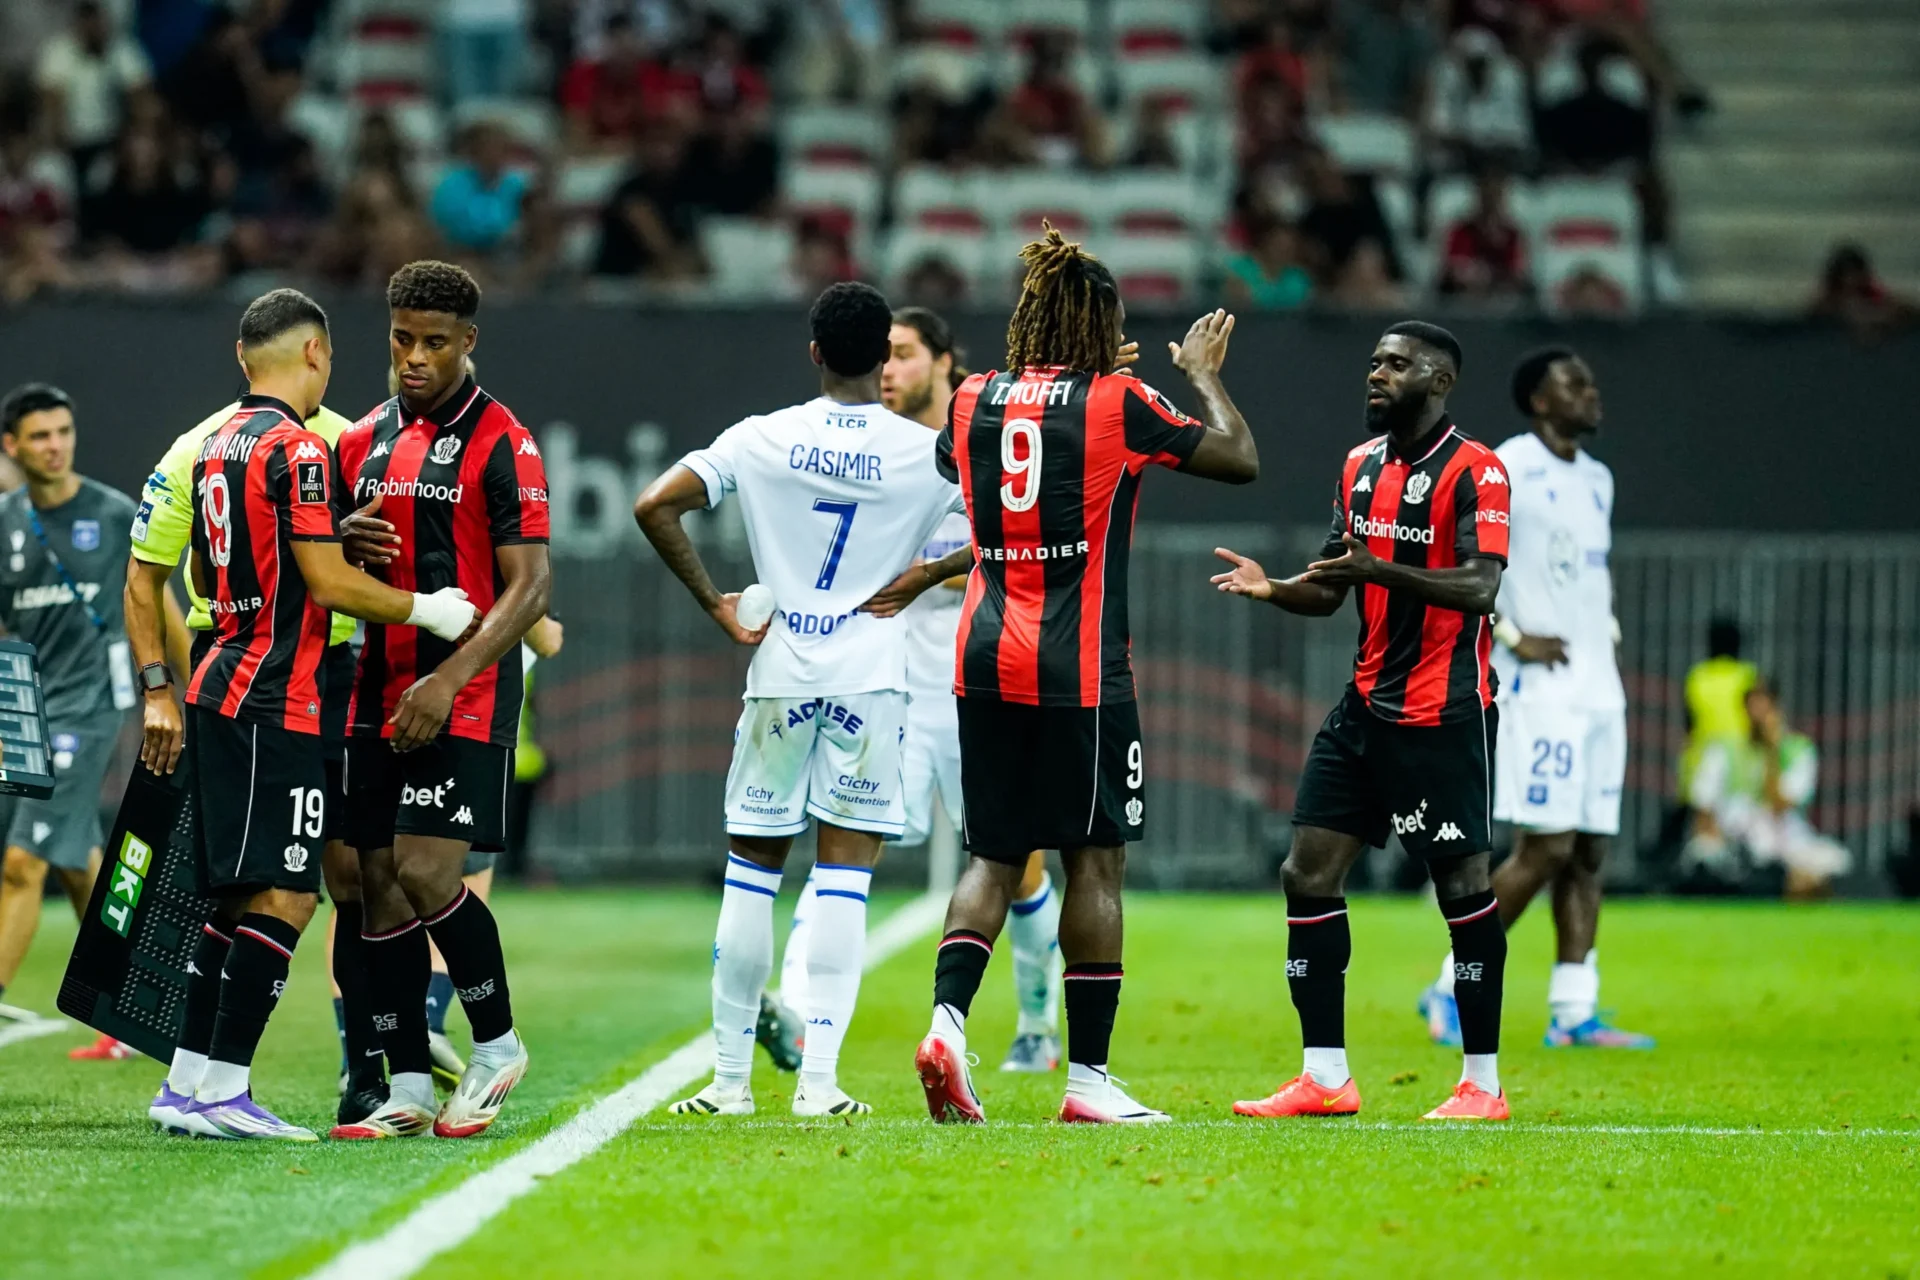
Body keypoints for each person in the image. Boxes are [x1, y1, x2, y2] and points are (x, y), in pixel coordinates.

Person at [899, 225, 1259, 1126]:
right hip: (1081, 669)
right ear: (1101, 329)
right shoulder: (1121, 399)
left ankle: (946, 1025)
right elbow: (1238, 460)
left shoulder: (973, 395)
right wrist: (1201, 373)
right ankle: (1090, 1082)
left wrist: (1075, 378)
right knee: (1096, 860)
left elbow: (956, 460)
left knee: (994, 853)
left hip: (982, 658)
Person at [140, 288, 478, 1141]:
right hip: (274, 691)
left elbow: (272, 554)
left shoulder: (215, 443)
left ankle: (189, 1086)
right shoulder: (299, 449)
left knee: (233, 898)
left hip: (220, 674)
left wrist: (332, 534)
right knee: (288, 896)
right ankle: (224, 1091)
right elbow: (327, 585)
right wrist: (426, 609)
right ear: (318, 355)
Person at [633, 282, 968, 1119]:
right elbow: (1008, 531)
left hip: (780, 673)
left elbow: (654, 505)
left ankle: (728, 1084)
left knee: (752, 881)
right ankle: (819, 1086)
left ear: (815, 351)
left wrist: (715, 601)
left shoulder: (762, 437)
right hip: (871, 679)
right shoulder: (927, 451)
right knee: (844, 886)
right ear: (879, 359)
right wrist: (926, 573)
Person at [1212, 320, 1514, 1122]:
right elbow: (1332, 583)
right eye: (1373, 361)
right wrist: (1275, 586)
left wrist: (1382, 566)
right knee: (1306, 873)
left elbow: (1482, 588)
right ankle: (1325, 1076)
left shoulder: (1477, 472)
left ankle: (1481, 1085)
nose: (1376, 374)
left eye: (1396, 364)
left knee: (1462, 890)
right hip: (1364, 709)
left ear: (1440, 381)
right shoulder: (1358, 466)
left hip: (1445, 715)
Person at [773, 307, 1069, 1077]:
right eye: (884, 356)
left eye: (904, 355)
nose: (890, 370)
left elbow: (1027, 539)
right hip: (890, 680)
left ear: (945, 362)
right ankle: (797, 1010)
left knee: (1017, 862)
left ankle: (1038, 1022)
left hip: (981, 678)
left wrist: (935, 570)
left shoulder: (993, 436)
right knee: (843, 838)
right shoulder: (874, 449)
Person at [328, 260, 552, 1141]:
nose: (413, 357)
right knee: (369, 881)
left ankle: (495, 1044)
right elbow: (333, 572)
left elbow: (530, 587)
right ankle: (409, 1085)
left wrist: (448, 677)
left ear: (468, 342)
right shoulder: (363, 441)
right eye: (401, 339)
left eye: (433, 342)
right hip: (373, 693)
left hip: (460, 694)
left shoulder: (507, 441)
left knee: (426, 871)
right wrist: (342, 537)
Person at [1416, 348, 1651, 1050]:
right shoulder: (1505, 466)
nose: (1591, 392)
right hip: (1539, 689)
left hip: (1597, 689)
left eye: (1590, 380)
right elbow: (1455, 560)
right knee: (1543, 847)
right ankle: (1448, 985)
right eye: (1574, 384)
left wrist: (1604, 629)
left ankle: (1574, 1010)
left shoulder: (1599, 480)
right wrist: (1511, 633)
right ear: (1539, 401)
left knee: (1589, 850)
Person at [0, 385, 143, 1046]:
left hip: (91, 707)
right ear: (12, 446)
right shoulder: (5, 522)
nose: (54, 445)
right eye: (38, 436)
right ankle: (123, 1005)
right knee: (78, 866)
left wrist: (174, 692)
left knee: (21, 863)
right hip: (28, 706)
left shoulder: (113, 515)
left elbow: (152, 604)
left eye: (62, 431)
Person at [1686, 682, 1849, 898]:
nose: (1758, 716)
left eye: (1764, 708)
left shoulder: (1797, 750)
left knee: (1835, 860)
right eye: (1753, 708)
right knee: (1702, 854)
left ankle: (1789, 884)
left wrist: (1772, 753)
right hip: (1736, 840)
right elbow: (1703, 807)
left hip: (1784, 838)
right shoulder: (1724, 749)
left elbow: (1780, 805)